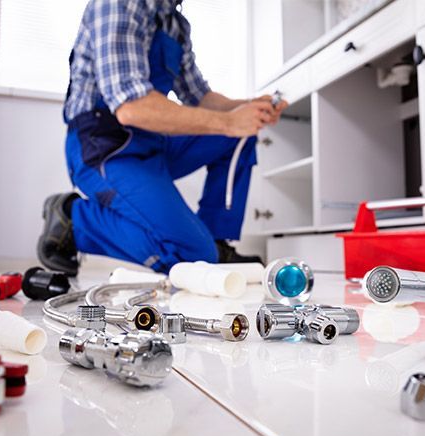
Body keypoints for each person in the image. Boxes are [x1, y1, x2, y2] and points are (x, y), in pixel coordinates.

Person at [37, 0, 288, 276]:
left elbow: (200, 97)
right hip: (104, 147)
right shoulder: (119, 4)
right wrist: (230, 122)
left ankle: (217, 245)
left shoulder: (175, 24)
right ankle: (74, 220)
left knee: (239, 136)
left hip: (151, 141)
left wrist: (251, 108)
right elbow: (132, 108)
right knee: (192, 256)